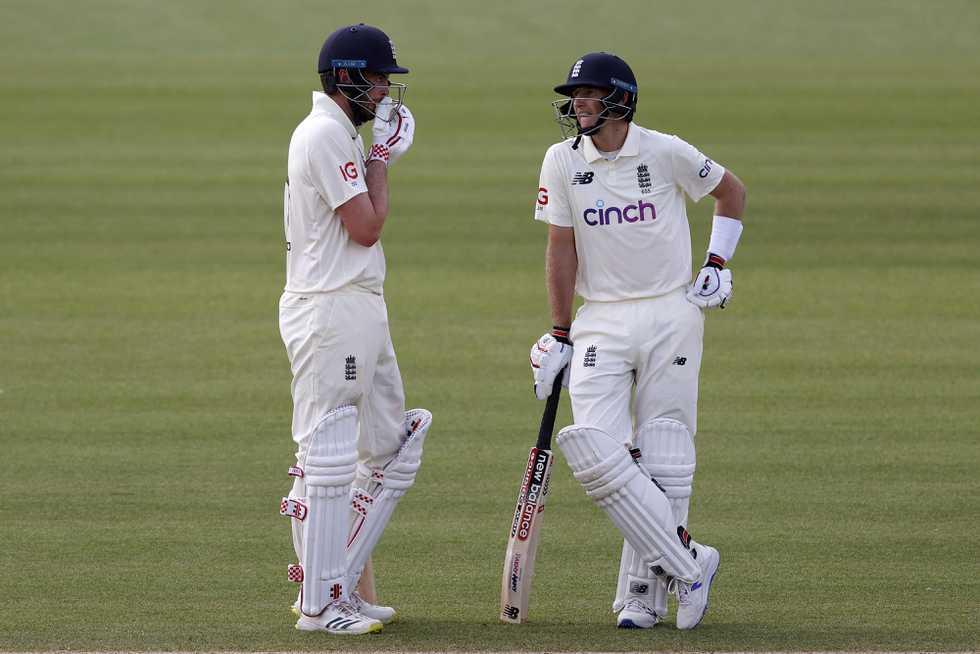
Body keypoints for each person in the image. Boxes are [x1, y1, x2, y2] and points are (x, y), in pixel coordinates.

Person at [529, 51, 746, 630]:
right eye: (574, 95)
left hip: (671, 311)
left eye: (589, 94)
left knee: (665, 458)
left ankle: (642, 595)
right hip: (601, 316)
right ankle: (691, 563)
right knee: (599, 455)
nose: (577, 104)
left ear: (619, 99)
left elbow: (733, 193)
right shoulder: (559, 160)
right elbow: (560, 249)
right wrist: (558, 331)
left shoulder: (665, 150)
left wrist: (718, 262)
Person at [277, 23, 432, 636]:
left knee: (390, 445)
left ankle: (350, 583)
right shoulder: (323, 134)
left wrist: (373, 157)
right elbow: (366, 226)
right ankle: (318, 605)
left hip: (359, 301)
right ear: (346, 78)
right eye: (377, 79)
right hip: (329, 306)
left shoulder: (336, 131)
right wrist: (382, 162)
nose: (385, 91)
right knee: (328, 454)